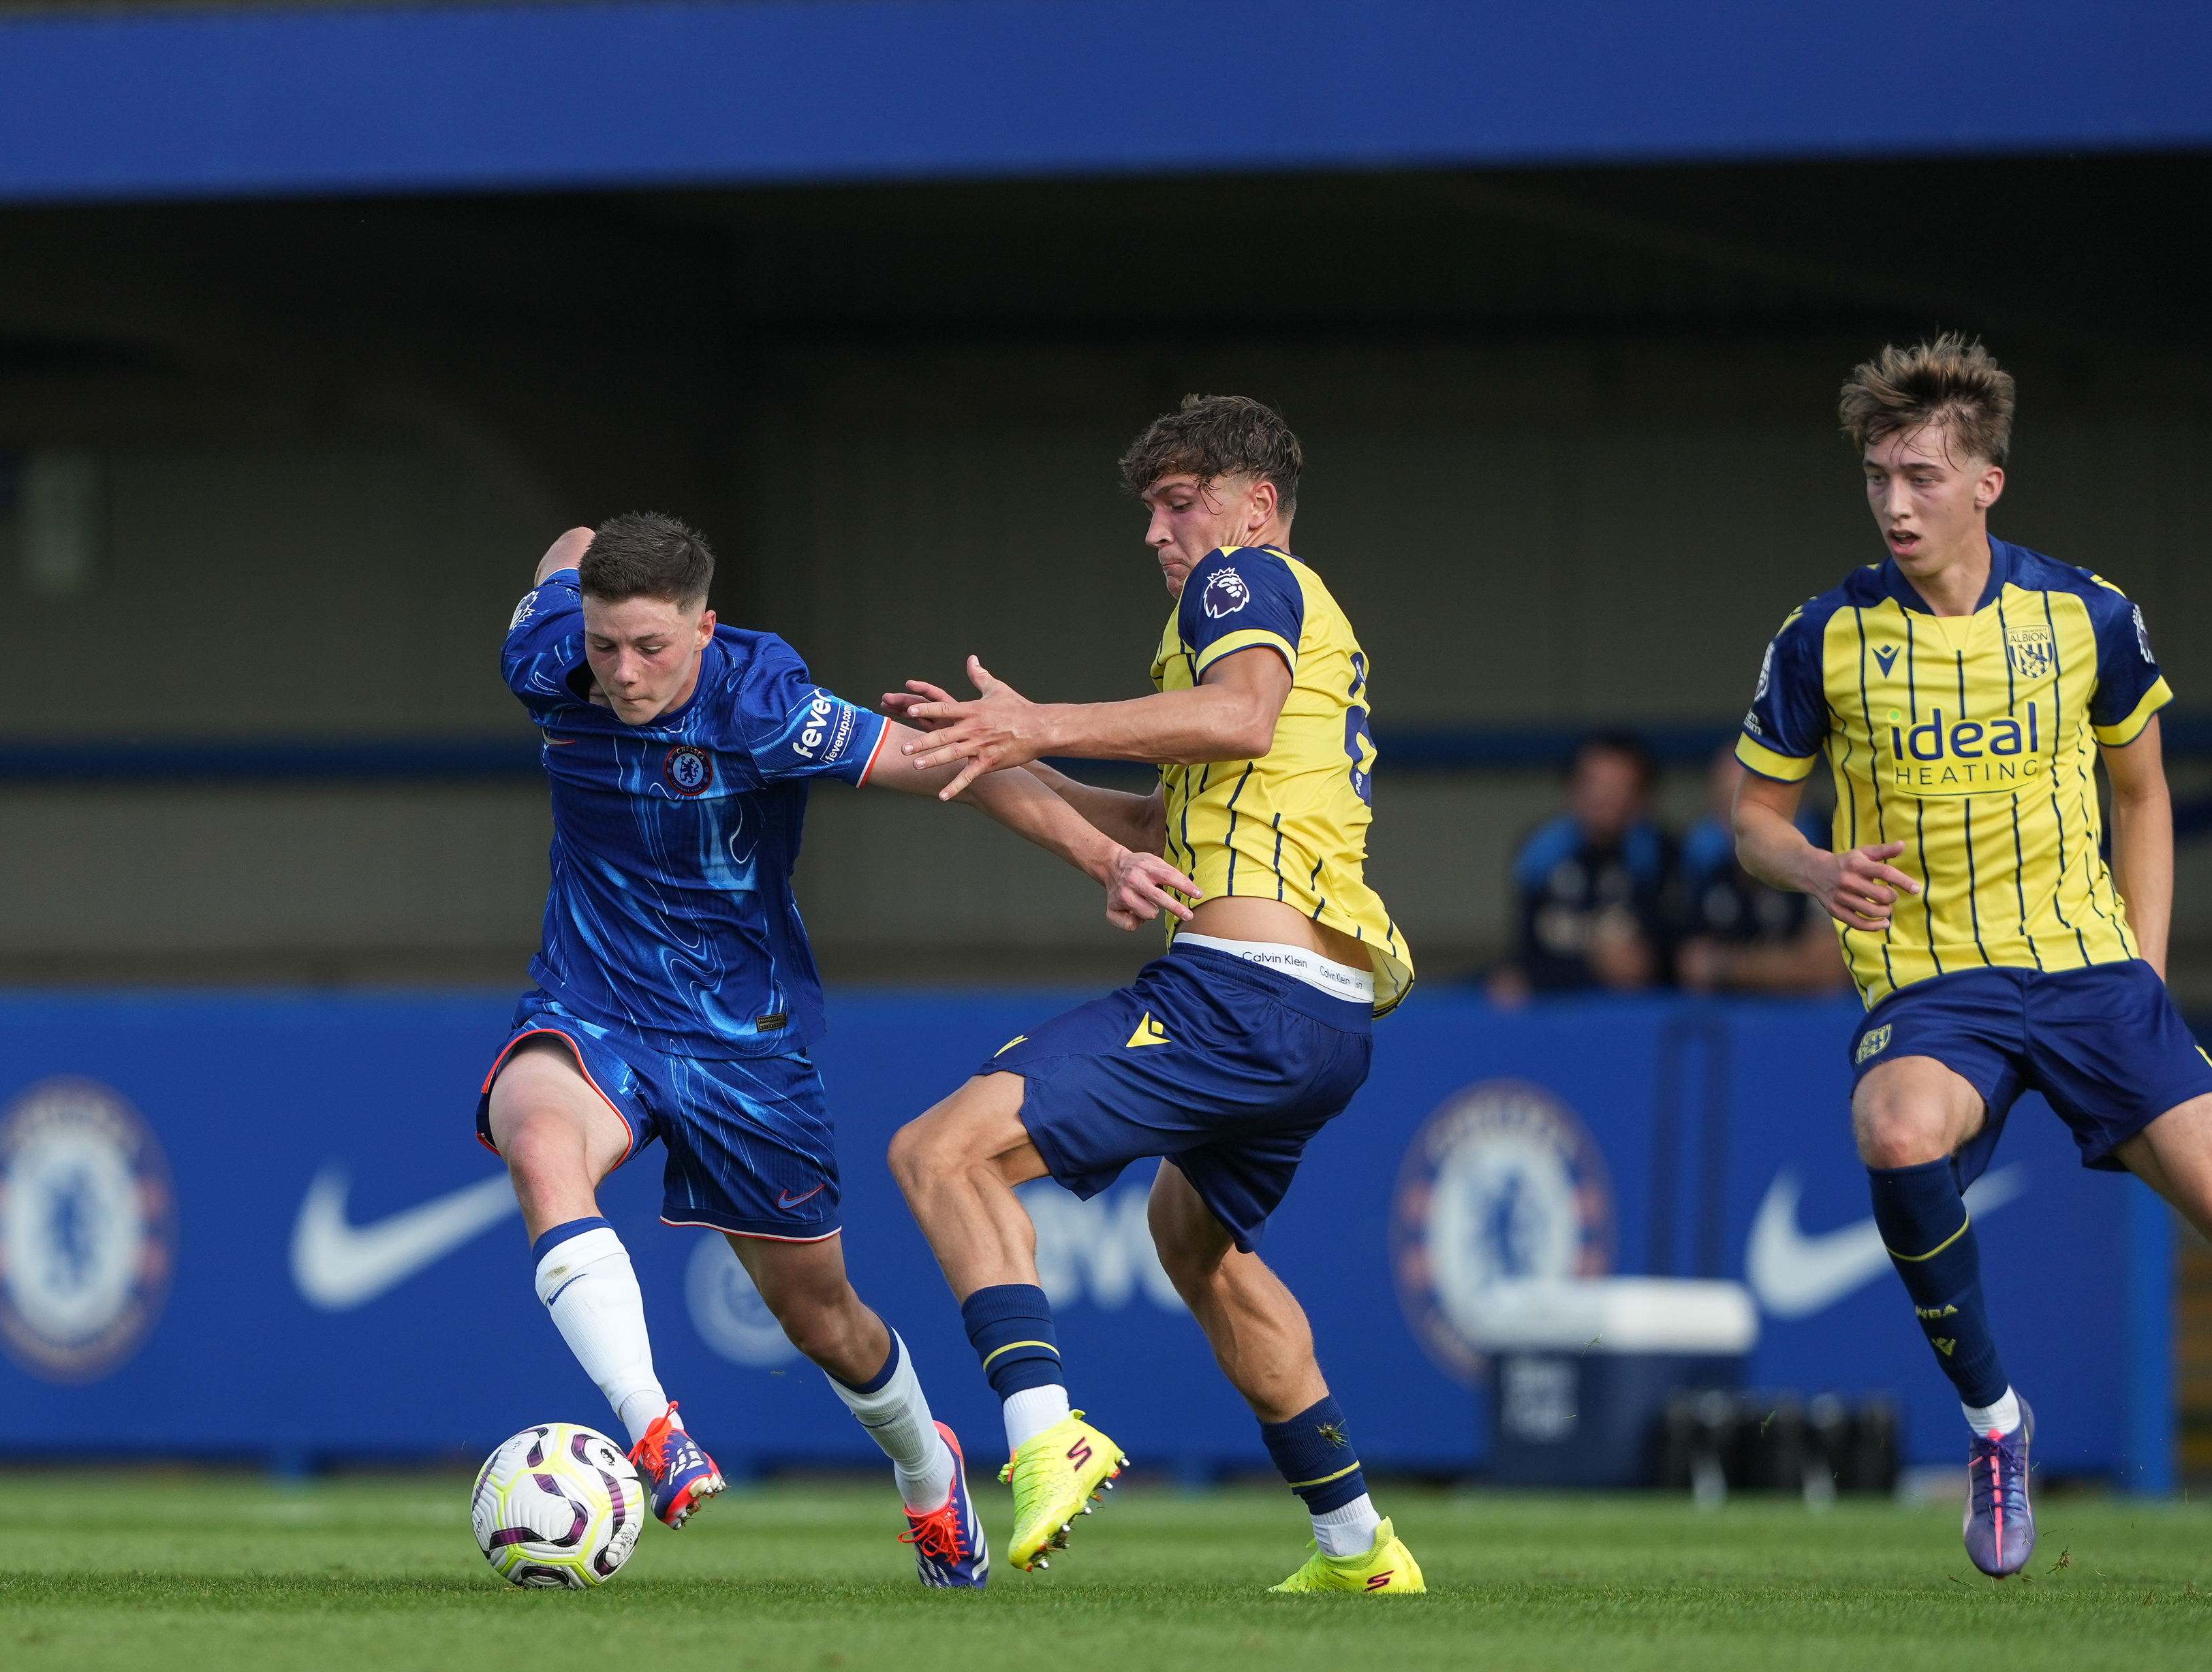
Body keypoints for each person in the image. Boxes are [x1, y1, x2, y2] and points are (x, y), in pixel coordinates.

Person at [480, 512, 1191, 1590]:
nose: (622, 672)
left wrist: (1100, 855)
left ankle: (926, 1471)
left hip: (743, 1048)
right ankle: (652, 1427)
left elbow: (956, 763)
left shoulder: (764, 703)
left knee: (822, 1319)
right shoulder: (548, 655)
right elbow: (569, 541)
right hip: (592, 1005)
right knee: (538, 1138)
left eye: (652, 648)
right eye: (605, 643)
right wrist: (574, 574)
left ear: (706, 631)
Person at [879, 394, 1425, 1595]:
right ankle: (1358, 1546)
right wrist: (988, 761)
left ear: (1254, 505)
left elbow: (1240, 716)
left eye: (1179, 502)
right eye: (1154, 510)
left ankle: (1042, 1432)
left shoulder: (1243, 581)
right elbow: (1147, 820)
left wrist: (1039, 720)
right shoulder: (1251, 635)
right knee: (1196, 1242)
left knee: (937, 1153)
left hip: (1244, 989)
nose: (1159, 533)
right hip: (1321, 1011)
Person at [1730, 333, 2212, 1577]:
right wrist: (1816, 868)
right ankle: (1997, 1425)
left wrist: (2147, 972)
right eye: (1879, 476)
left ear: (1986, 482)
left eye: (1922, 477)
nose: (1895, 502)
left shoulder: (2084, 613)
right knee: (1893, 1131)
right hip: (1935, 983)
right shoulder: (1823, 634)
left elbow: (2144, 796)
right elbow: (1751, 819)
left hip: (2090, 970)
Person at [1488, 734, 1677, 1005]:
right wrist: (1592, 964)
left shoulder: (1663, 855)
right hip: (1557, 1014)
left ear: (1643, 794)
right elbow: (1526, 957)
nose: (1604, 797)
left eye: (1619, 786)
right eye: (1593, 783)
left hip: (1639, 1018)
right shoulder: (1541, 852)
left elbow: (1673, 960)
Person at [1674, 751, 1849, 995]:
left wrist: (1728, 967)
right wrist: (1784, 964)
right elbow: (1693, 965)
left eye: (1758, 809)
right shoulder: (1705, 859)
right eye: (1729, 808)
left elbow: (1826, 968)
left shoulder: (1828, 851)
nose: (1742, 825)